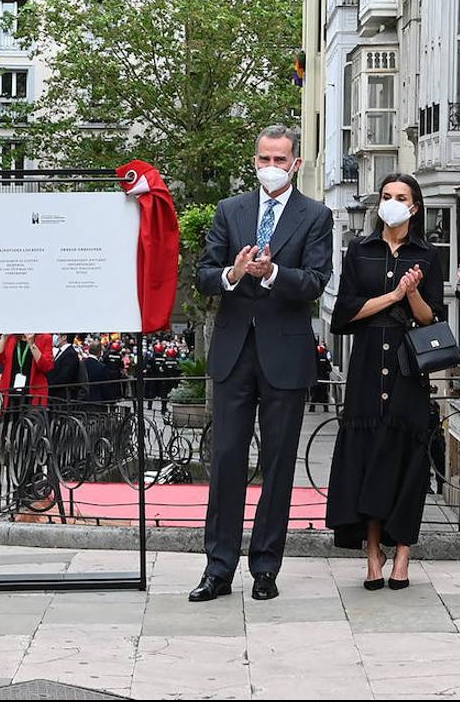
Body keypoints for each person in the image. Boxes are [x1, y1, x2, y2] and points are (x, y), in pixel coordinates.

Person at [190, 124, 334, 603]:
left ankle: (266, 567)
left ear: (295, 163)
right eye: (264, 159)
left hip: (285, 354)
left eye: (280, 160)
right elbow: (205, 275)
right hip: (234, 352)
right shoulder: (230, 210)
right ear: (254, 161)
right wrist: (232, 273)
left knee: (277, 464)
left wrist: (273, 272)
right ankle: (218, 568)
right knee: (227, 459)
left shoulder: (316, 215)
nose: (270, 168)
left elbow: (315, 281)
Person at [326, 174, 443, 590]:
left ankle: (404, 554)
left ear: (414, 207)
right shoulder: (359, 250)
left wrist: (411, 294)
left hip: (408, 365)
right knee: (369, 456)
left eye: (401, 197)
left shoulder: (427, 254)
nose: (392, 203)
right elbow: (344, 314)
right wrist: (393, 296)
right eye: (387, 196)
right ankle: (373, 552)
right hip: (366, 361)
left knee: (408, 460)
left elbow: (433, 318)